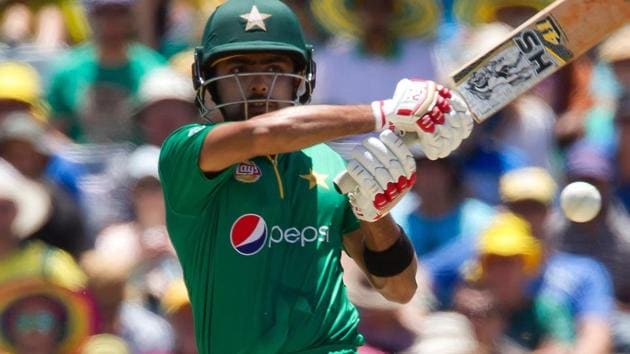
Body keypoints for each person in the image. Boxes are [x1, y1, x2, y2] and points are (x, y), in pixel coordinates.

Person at [158, 0, 474, 352]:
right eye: (239, 68)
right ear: (207, 80)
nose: (260, 84)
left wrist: (376, 216)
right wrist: (385, 112)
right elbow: (261, 135)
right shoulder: (186, 151)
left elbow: (399, 289)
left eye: (276, 67)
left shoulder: (329, 161)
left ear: (302, 78)